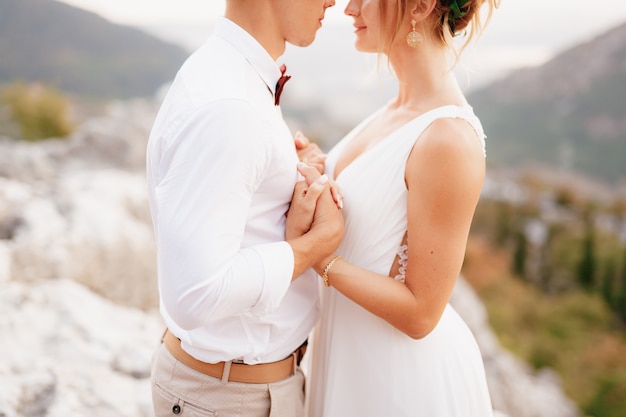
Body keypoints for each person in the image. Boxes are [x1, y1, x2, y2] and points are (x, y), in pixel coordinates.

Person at [297, 0, 501, 416]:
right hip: (349, 360)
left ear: (420, 6)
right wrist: (320, 170)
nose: (349, 9)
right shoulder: (394, 112)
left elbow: (422, 313)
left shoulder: (449, 139)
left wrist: (319, 258)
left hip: (399, 383)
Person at [145, 0, 344, 416]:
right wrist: (314, 247)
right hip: (228, 398)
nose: (334, 2)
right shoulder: (231, 106)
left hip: (236, 390)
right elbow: (193, 295)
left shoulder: (229, 75)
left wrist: (290, 171)